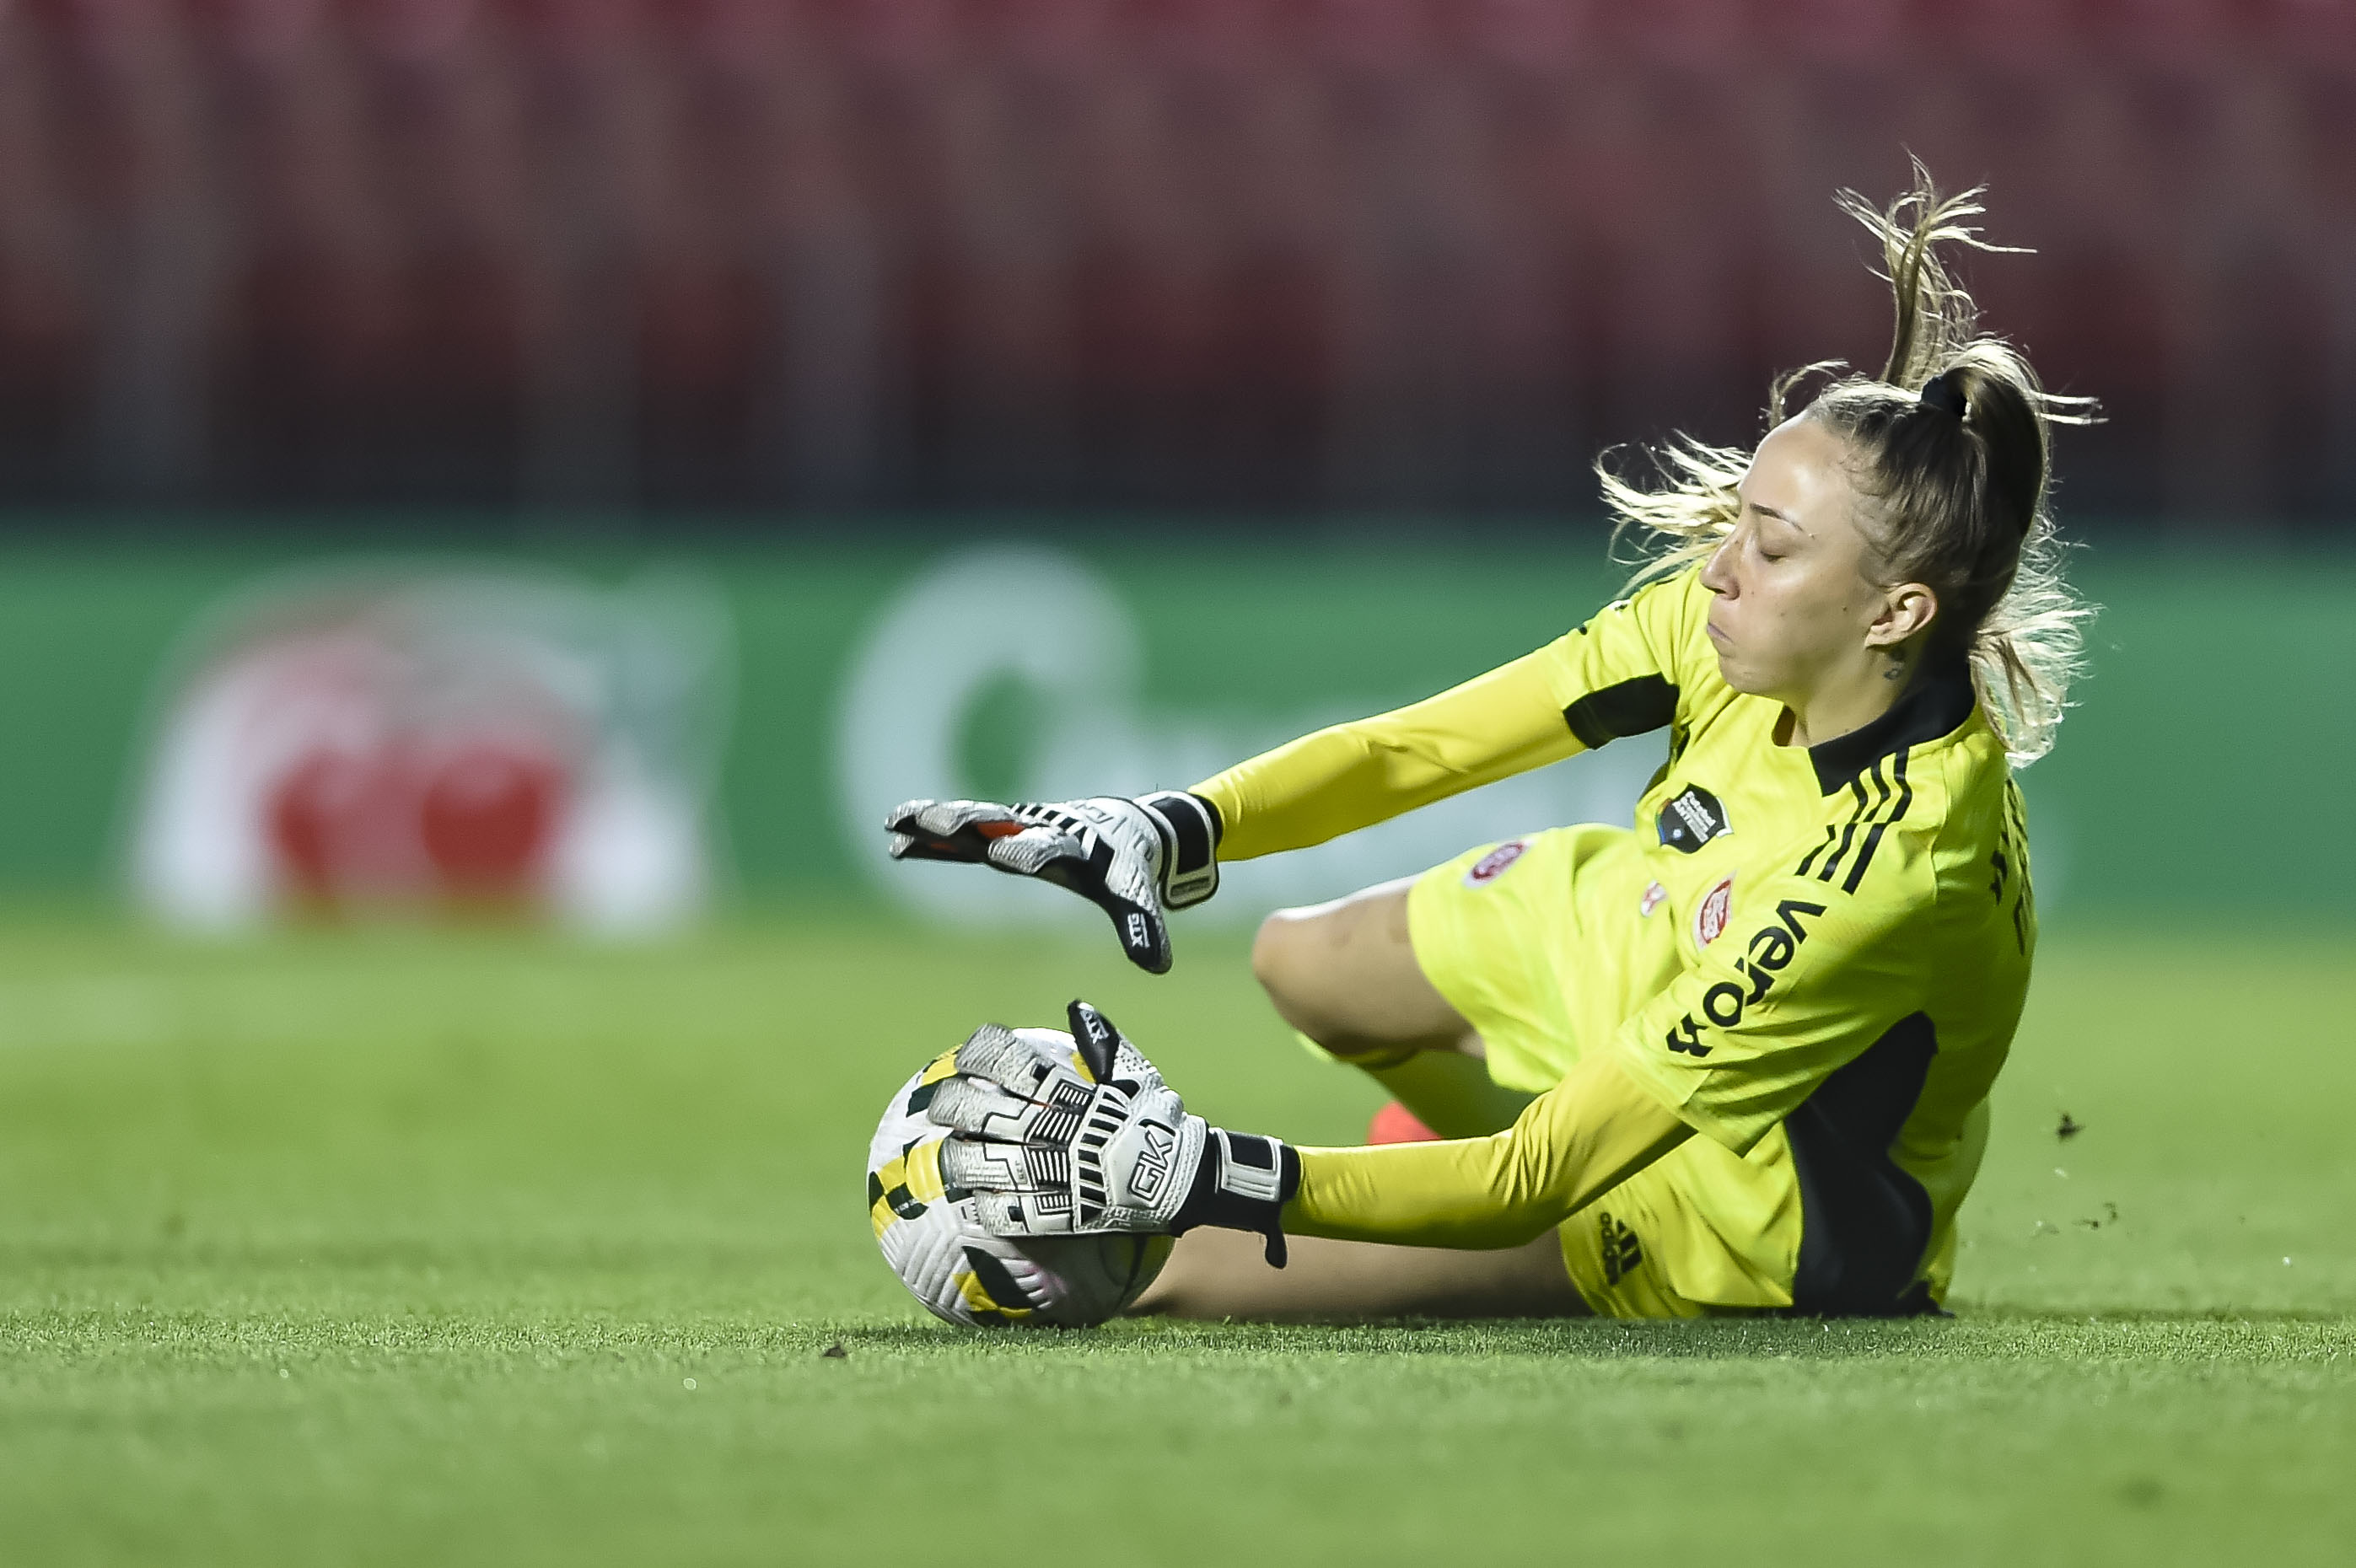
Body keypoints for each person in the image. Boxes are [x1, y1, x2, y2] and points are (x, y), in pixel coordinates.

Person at [885, 168, 2092, 1321]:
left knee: (1150, 1269)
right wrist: (1180, 823)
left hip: (1740, 1203)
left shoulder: (1884, 874)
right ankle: (1436, 1170)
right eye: (1737, 523)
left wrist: (1208, 1175)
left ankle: (1453, 1220)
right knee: (1302, 965)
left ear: (1894, 614)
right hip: (1641, 930)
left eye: (1771, 549)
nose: (1719, 568)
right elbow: (1426, 752)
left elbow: (1536, 1176)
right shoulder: (1721, 629)